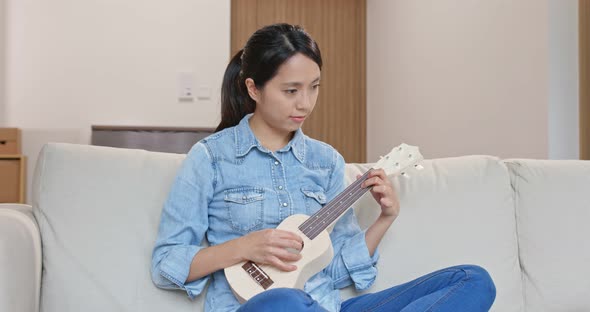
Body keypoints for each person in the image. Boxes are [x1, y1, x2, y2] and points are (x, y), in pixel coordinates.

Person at [151, 23, 496, 312]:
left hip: (326, 305)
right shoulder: (210, 157)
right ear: (253, 88)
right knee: (285, 301)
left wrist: (385, 219)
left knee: (472, 279)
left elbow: (337, 271)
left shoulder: (326, 160)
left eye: (314, 87)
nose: (305, 103)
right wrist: (244, 247)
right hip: (259, 307)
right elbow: (167, 263)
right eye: (291, 90)